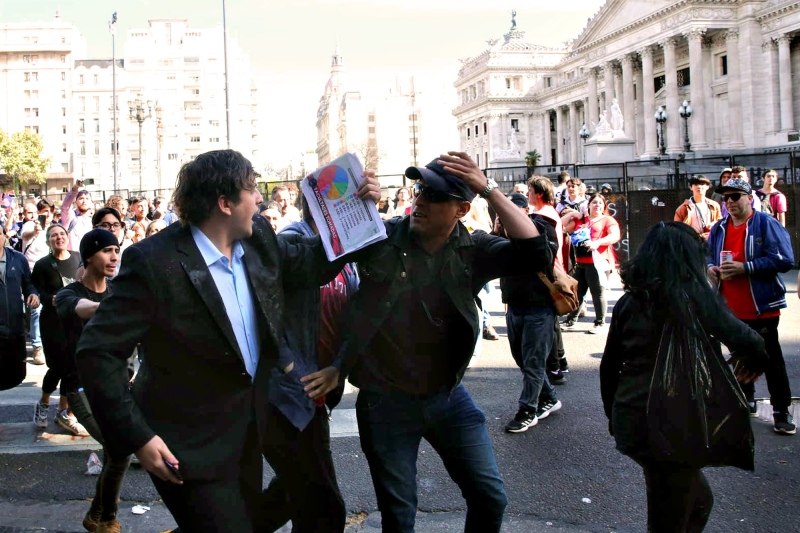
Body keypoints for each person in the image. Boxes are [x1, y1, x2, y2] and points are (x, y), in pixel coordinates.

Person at [75, 149, 380, 532]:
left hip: (248, 432)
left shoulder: (258, 239)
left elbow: (311, 264)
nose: (259, 200)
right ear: (224, 203)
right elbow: (97, 352)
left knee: (297, 505)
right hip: (186, 444)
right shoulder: (154, 262)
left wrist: (358, 211)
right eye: (252, 190)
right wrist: (138, 437)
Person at [337, 152, 552, 532]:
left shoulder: (474, 250)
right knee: (399, 516)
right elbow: (320, 250)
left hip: (447, 397)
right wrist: (351, 205)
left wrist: (489, 188)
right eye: (419, 191)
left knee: (490, 497)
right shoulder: (381, 236)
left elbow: (536, 253)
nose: (419, 202)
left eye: (434, 197)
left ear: (461, 209)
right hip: (386, 402)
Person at [601, 221, 767, 533]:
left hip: (636, 418)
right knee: (672, 517)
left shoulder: (630, 301)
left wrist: (614, 415)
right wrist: (755, 361)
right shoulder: (694, 298)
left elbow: (609, 366)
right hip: (674, 422)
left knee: (696, 502)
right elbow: (749, 340)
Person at [260, 199, 359, 533]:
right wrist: (291, 369)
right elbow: (268, 314)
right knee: (322, 503)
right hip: (294, 392)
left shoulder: (351, 250)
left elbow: (353, 314)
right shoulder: (291, 242)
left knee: (297, 488)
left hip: (323, 383)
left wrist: (339, 368)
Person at [706, 177, 796, 435]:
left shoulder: (766, 223)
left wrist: (746, 268)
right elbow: (710, 255)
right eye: (725, 198)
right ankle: (747, 399)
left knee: (771, 360)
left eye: (735, 196)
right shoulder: (719, 227)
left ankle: (781, 412)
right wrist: (711, 268)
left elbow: (784, 259)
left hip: (762, 306)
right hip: (730, 307)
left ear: (749, 197)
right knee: (739, 356)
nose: (730, 202)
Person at [57, 229, 129, 532]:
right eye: (106, 251)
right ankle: (105, 516)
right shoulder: (68, 293)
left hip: (115, 385)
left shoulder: (117, 290)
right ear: (89, 256)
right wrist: (112, 307)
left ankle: (98, 516)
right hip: (80, 388)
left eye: (117, 250)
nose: (114, 257)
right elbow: (81, 310)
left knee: (117, 451)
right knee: (119, 449)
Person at [497, 189, 562, 433]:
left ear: (526, 211)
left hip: (539, 306)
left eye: (514, 211)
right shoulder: (502, 230)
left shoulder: (542, 226)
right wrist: (498, 229)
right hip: (514, 304)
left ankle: (528, 410)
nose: (508, 216)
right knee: (522, 359)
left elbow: (544, 255)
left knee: (533, 361)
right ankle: (549, 398)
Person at [31, 224, 81, 430]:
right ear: (48, 241)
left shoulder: (79, 258)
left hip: (74, 319)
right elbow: (35, 289)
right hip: (52, 321)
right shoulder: (43, 265)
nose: (58, 238)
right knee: (58, 366)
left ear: (67, 236)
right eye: (53, 236)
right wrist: (47, 299)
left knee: (72, 366)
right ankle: (43, 402)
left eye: (61, 234)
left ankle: (63, 411)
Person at [561, 193, 620, 333]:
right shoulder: (582, 220)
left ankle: (600, 323)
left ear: (604, 206)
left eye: (600, 203)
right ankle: (571, 321)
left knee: (597, 293)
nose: (597, 205)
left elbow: (615, 236)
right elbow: (561, 226)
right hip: (581, 262)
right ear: (588, 205)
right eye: (594, 202)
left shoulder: (607, 220)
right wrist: (573, 214)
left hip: (598, 263)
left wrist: (597, 242)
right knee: (577, 293)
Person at [0, 232, 39, 391]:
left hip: (14, 323)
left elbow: (28, 283)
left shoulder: (18, 258)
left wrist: (33, 293)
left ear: (3, 237)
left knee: (14, 376)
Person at [673, 174, 722, 240]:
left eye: (702, 184)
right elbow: (677, 229)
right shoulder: (683, 208)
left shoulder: (714, 205)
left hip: (711, 239)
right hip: (692, 241)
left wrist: (714, 224)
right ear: (691, 187)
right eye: (696, 185)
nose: (699, 187)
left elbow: (720, 222)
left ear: (707, 187)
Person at [60, 182, 94, 251]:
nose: (84, 201)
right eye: (81, 198)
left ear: (91, 202)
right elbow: (65, 206)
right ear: (75, 202)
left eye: (87, 199)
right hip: (74, 258)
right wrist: (76, 187)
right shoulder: (70, 217)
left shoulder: (94, 220)